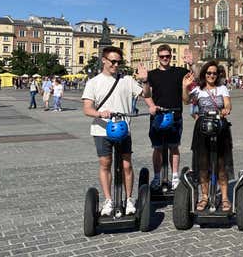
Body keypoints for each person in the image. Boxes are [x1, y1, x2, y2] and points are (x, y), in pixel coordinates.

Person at [82, 46, 146, 216]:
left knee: (126, 165)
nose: (116, 65)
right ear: (104, 60)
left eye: (119, 62)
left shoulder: (127, 80)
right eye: (113, 61)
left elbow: (146, 94)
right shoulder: (93, 82)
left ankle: (130, 199)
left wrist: (145, 81)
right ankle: (109, 199)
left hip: (123, 129)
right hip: (102, 130)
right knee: (105, 164)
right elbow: (87, 109)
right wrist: (100, 113)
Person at [182, 61, 234, 212]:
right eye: (208, 73)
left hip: (220, 128)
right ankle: (204, 196)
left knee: (221, 165)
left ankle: (224, 197)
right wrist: (185, 87)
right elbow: (186, 101)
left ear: (217, 75)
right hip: (202, 129)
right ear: (204, 74)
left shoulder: (222, 88)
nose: (211, 76)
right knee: (203, 165)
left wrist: (225, 110)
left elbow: (228, 104)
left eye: (214, 73)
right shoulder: (198, 90)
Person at [142, 45, 193, 190]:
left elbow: (195, 75)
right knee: (157, 148)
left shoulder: (179, 72)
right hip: (158, 115)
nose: (165, 58)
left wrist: (191, 64)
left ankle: (175, 176)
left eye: (167, 56)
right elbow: (146, 94)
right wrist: (151, 105)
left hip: (175, 114)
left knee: (174, 147)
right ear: (157, 57)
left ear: (171, 56)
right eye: (162, 56)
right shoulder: (151, 74)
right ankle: (157, 176)